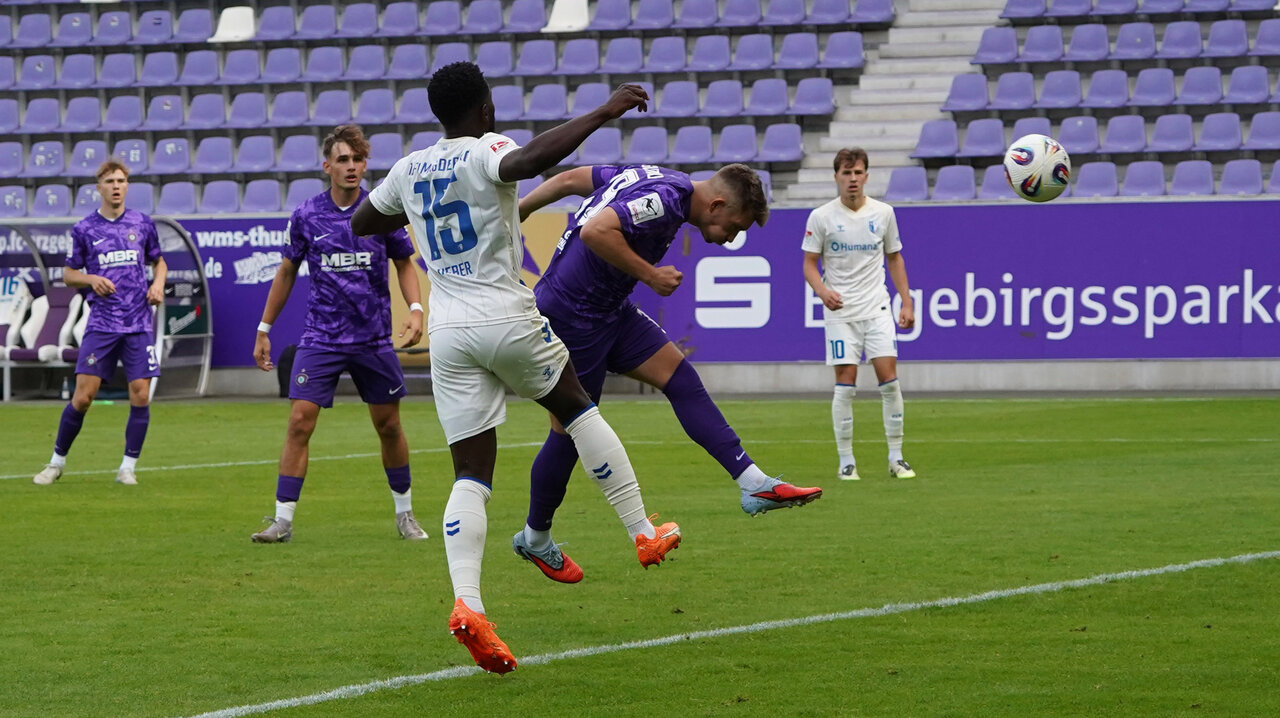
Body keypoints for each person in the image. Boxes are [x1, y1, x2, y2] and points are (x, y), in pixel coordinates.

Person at [352, 62, 675, 675]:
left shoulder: (410, 167)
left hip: (449, 336)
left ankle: (469, 606)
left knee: (471, 473)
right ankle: (641, 530)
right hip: (503, 314)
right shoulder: (485, 149)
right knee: (578, 410)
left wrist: (419, 212)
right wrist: (604, 112)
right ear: (485, 109)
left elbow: (363, 222)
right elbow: (526, 163)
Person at [512, 162, 824, 582]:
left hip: (609, 309)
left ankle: (752, 482)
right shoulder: (665, 200)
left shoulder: (657, 178)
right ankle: (535, 537)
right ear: (716, 204)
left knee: (680, 377)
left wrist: (522, 209)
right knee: (571, 431)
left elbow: (570, 179)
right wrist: (650, 274)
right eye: (735, 226)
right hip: (574, 313)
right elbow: (595, 231)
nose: (734, 237)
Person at [249, 125, 428, 544]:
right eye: (343, 160)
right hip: (322, 338)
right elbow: (287, 271)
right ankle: (282, 521)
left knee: (388, 426)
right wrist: (264, 329)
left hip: (372, 340)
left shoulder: (382, 210)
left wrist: (417, 309)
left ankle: (405, 514)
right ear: (327, 165)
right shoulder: (307, 215)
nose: (351, 167)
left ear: (365, 164)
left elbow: (405, 263)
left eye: (358, 159)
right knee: (298, 422)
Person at [33, 160, 167, 486]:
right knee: (83, 397)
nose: (117, 186)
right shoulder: (85, 229)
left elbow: (158, 261)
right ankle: (56, 462)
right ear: (99, 188)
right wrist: (91, 279)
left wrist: (158, 284)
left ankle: (127, 468)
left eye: (121, 181)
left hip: (137, 324)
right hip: (103, 324)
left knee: (140, 394)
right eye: (110, 181)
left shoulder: (142, 223)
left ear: (127, 185)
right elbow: (68, 274)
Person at [801, 148, 916, 481]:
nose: (852, 179)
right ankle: (846, 461)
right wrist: (822, 292)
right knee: (845, 386)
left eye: (858, 172)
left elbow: (894, 258)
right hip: (841, 314)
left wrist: (905, 302)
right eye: (846, 173)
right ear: (836, 176)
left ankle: (896, 458)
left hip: (877, 308)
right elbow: (809, 263)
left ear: (866, 175)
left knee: (890, 383)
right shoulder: (821, 217)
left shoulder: (883, 213)